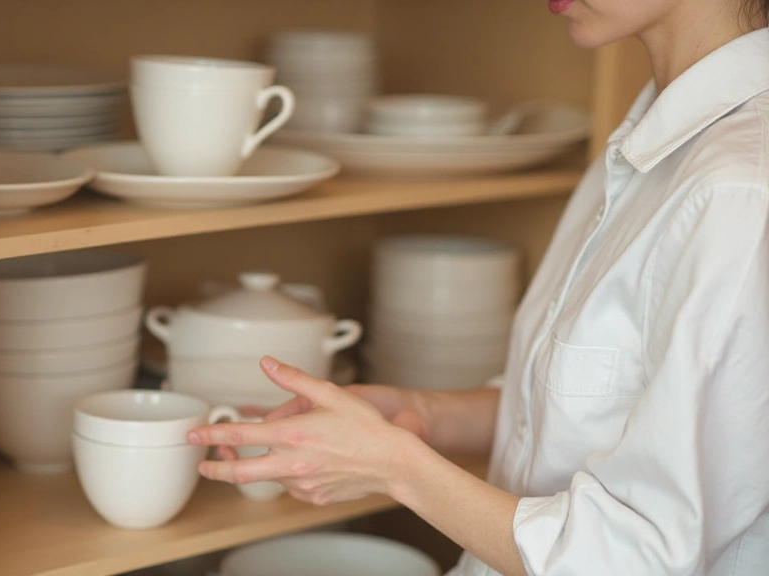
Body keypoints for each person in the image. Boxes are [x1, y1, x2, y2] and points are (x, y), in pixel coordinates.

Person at [186, 0, 769, 574]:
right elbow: (599, 406)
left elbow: (637, 562)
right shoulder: (654, 139)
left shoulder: (740, 190)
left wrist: (396, 468)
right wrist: (422, 413)